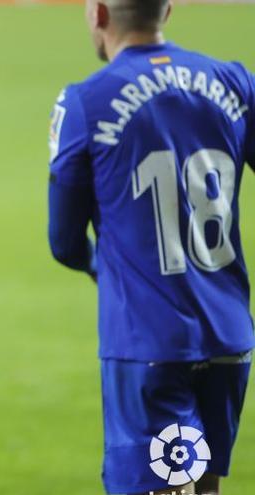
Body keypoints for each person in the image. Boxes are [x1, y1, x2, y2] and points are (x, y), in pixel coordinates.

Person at [47, 1, 254, 494]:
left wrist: (98, 264)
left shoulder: (84, 102)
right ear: (168, 9)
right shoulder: (235, 83)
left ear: (98, 13)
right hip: (229, 335)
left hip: (149, 343)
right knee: (204, 487)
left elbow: (63, 240)